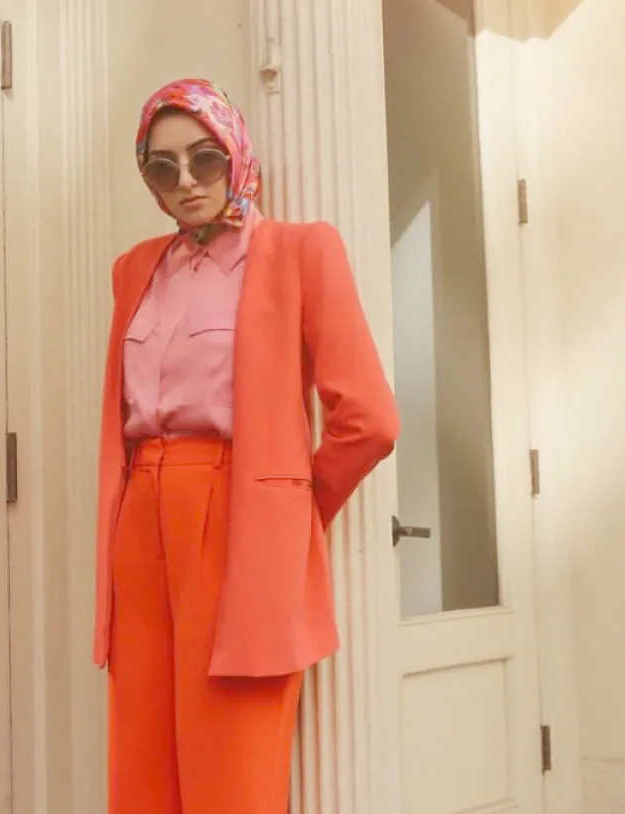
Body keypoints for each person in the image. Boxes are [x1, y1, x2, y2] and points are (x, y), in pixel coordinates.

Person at [94, 78, 400, 813]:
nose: (187, 180)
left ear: (235, 152)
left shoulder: (297, 251)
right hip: (139, 522)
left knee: (230, 770)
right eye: (163, 166)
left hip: (234, 517)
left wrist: (292, 511)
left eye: (204, 157)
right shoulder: (135, 268)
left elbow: (369, 419)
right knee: (141, 770)